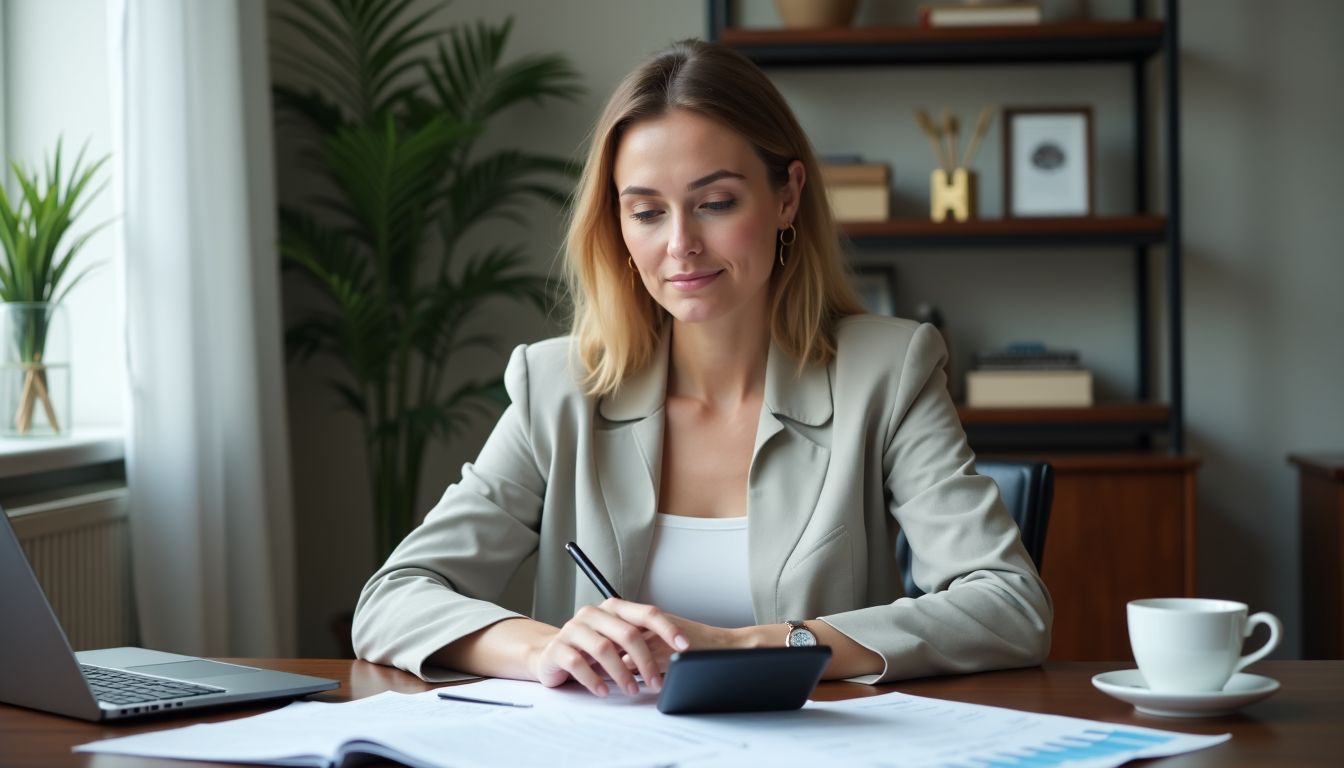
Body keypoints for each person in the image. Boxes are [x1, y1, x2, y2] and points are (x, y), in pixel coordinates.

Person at [353, 38, 1051, 696]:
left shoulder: (886, 371)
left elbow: (1010, 605)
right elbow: (392, 601)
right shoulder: (559, 387)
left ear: (786, 196)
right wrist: (545, 649)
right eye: (647, 212)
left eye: (715, 204)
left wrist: (752, 646)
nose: (681, 244)